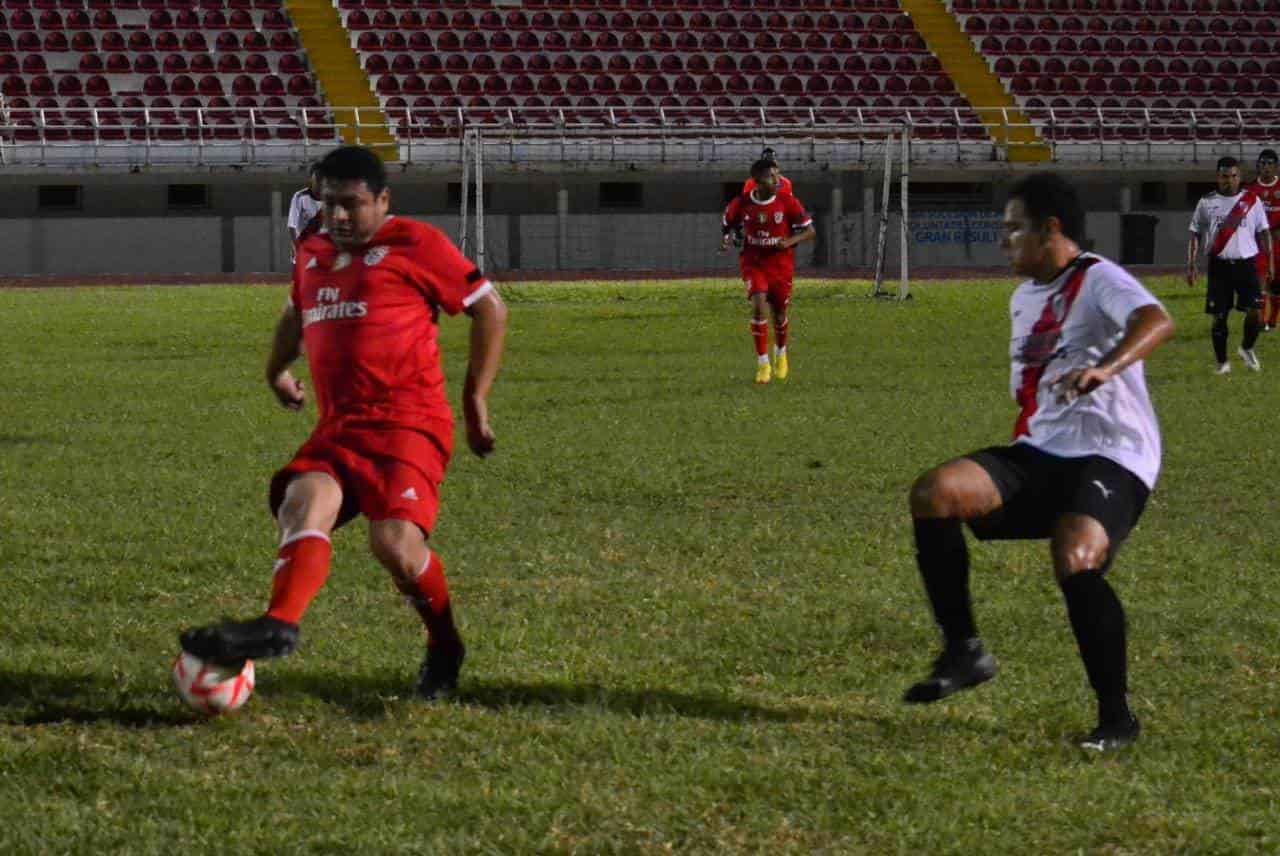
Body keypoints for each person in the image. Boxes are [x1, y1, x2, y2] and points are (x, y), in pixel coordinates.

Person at [180, 146, 508, 701]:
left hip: (409, 424)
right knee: (304, 501)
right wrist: (276, 369)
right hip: (341, 425)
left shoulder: (417, 244)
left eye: (351, 204)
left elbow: (490, 308)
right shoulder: (312, 251)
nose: (337, 217)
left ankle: (446, 645)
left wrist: (475, 398)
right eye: (327, 204)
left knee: (395, 545)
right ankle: (278, 624)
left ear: (383, 200)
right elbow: (295, 314)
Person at [902, 172, 1175, 753]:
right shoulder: (1023, 297)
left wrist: (1107, 368)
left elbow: (1156, 320)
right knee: (936, 493)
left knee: (1075, 555)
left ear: (1051, 229)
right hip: (1041, 453)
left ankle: (1117, 718)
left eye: (1013, 229)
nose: (1004, 241)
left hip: (1113, 454)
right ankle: (964, 650)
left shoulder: (1097, 277)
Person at [720, 158, 815, 384]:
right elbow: (728, 224)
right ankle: (763, 364)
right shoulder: (741, 203)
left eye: (778, 175)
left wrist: (790, 241)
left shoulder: (787, 202)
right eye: (771, 176)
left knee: (779, 313)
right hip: (754, 262)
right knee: (758, 307)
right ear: (757, 182)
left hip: (781, 264)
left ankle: (781, 354)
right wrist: (726, 239)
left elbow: (810, 231)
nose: (777, 180)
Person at [1187, 156, 1274, 373]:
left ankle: (1247, 348)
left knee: (1255, 311)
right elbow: (1195, 234)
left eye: (1234, 176)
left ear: (1240, 177)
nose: (1230, 181)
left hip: (1247, 264)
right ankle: (1222, 363)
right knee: (1219, 317)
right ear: (1218, 177)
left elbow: (1264, 232)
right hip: (1219, 266)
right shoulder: (1206, 202)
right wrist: (1192, 264)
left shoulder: (1252, 201)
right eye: (1225, 176)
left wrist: (1270, 261)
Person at [1247, 149, 1280, 331]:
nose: (1266, 167)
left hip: (1278, 244)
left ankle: (1273, 320)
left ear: (1276, 167)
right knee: (1260, 282)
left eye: (1269, 163)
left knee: (1276, 286)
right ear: (1258, 166)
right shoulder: (1251, 190)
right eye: (1263, 163)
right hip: (1258, 243)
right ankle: (1260, 321)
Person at [287, 162, 324, 261]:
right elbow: (292, 225)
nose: (320, 182)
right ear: (311, 179)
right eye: (317, 178)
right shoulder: (299, 196)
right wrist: (296, 246)